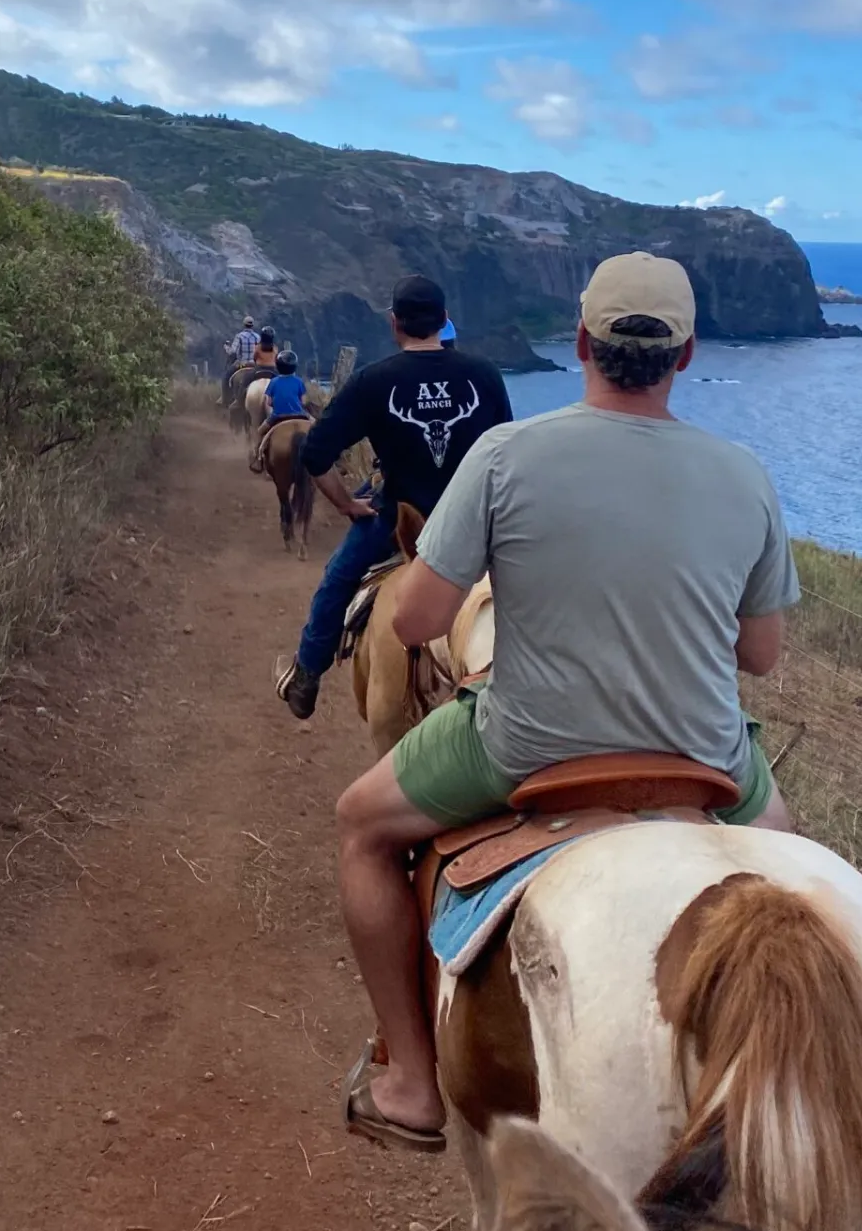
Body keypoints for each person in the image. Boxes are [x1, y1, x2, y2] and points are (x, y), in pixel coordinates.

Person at [330, 251, 801, 1153]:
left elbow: (416, 621)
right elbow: (763, 656)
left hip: (527, 746)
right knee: (797, 887)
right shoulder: (745, 475)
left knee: (360, 825)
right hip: (706, 755)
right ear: (687, 355)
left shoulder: (507, 455)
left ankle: (413, 1084)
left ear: (581, 342)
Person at [275, 275, 511, 720]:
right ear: (444, 321)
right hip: (475, 530)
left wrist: (347, 504)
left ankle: (306, 675)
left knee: (338, 579)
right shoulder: (484, 375)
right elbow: (504, 455)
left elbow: (316, 451)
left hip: (398, 527)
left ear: (394, 324)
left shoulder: (375, 381)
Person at [249, 348, 312, 471]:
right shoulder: (299, 381)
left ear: (278, 366)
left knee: (260, 431)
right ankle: (334, 460)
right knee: (319, 428)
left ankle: (258, 458)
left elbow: (269, 402)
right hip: (300, 414)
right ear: (294, 367)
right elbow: (304, 402)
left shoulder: (273, 382)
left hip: (278, 416)